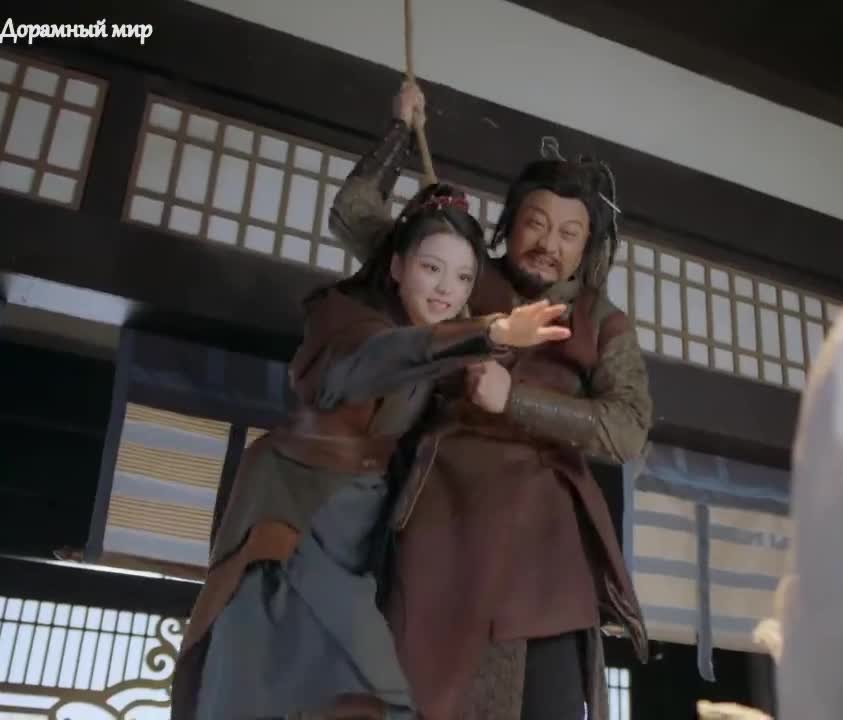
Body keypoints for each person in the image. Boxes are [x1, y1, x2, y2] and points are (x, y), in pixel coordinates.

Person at [169, 177, 573, 720]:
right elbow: (376, 360)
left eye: (463, 277)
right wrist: (492, 330)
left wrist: (501, 383)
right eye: (431, 268)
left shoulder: (442, 342)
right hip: (294, 510)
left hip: (360, 523)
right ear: (397, 266)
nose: (446, 290)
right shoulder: (344, 319)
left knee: (353, 692)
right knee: (261, 671)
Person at [329, 81, 653, 719]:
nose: (549, 243)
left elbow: (629, 428)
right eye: (536, 223)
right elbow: (353, 212)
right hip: (442, 514)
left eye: (569, 233)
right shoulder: (462, 272)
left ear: (586, 247)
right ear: (510, 224)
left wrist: (517, 400)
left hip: (546, 539)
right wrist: (399, 132)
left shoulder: (601, 320)